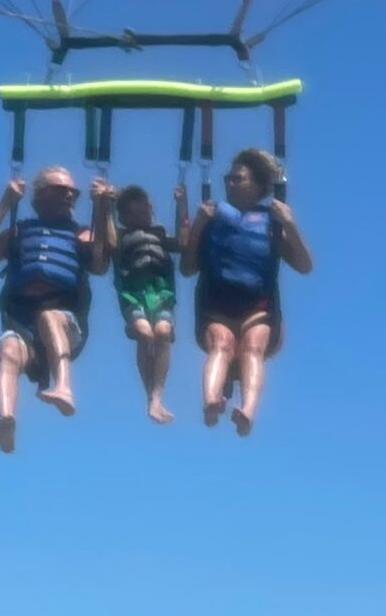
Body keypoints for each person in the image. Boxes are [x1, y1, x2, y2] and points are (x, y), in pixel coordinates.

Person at [0, 165, 106, 453]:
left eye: (73, 192)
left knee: (49, 317)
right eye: (61, 189)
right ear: (40, 195)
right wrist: (5, 204)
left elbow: (100, 265)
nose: (69, 195)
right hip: (22, 320)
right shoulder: (21, 231)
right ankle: (6, 418)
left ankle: (64, 386)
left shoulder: (81, 233)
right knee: (7, 351)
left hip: (65, 321)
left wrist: (103, 209)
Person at [179, 145, 312, 437]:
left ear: (259, 186)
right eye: (228, 177)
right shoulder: (212, 216)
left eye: (237, 178)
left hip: (258, 307)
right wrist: (199, 223)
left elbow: (304, 265)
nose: (229, 182)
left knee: (253, 347)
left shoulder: (272, 221)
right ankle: (211, 401)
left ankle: (247, 410)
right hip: (216, 306)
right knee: (221, 345)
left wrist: (290, 223)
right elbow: (187, 267)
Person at [95, 180, 181, 425]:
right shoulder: (120, 237)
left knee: (162, 332)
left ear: (151, 210)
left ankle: (157, 397)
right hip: (133, 294)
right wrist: (105, 205)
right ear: (123, 217)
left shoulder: (161, 235)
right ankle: (151, 399)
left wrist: (181, 205)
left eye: (144, 212)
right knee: (145, 334)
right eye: (133, 214)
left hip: (162, 293)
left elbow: (184, 243)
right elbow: (109, 243)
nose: (141, 218)